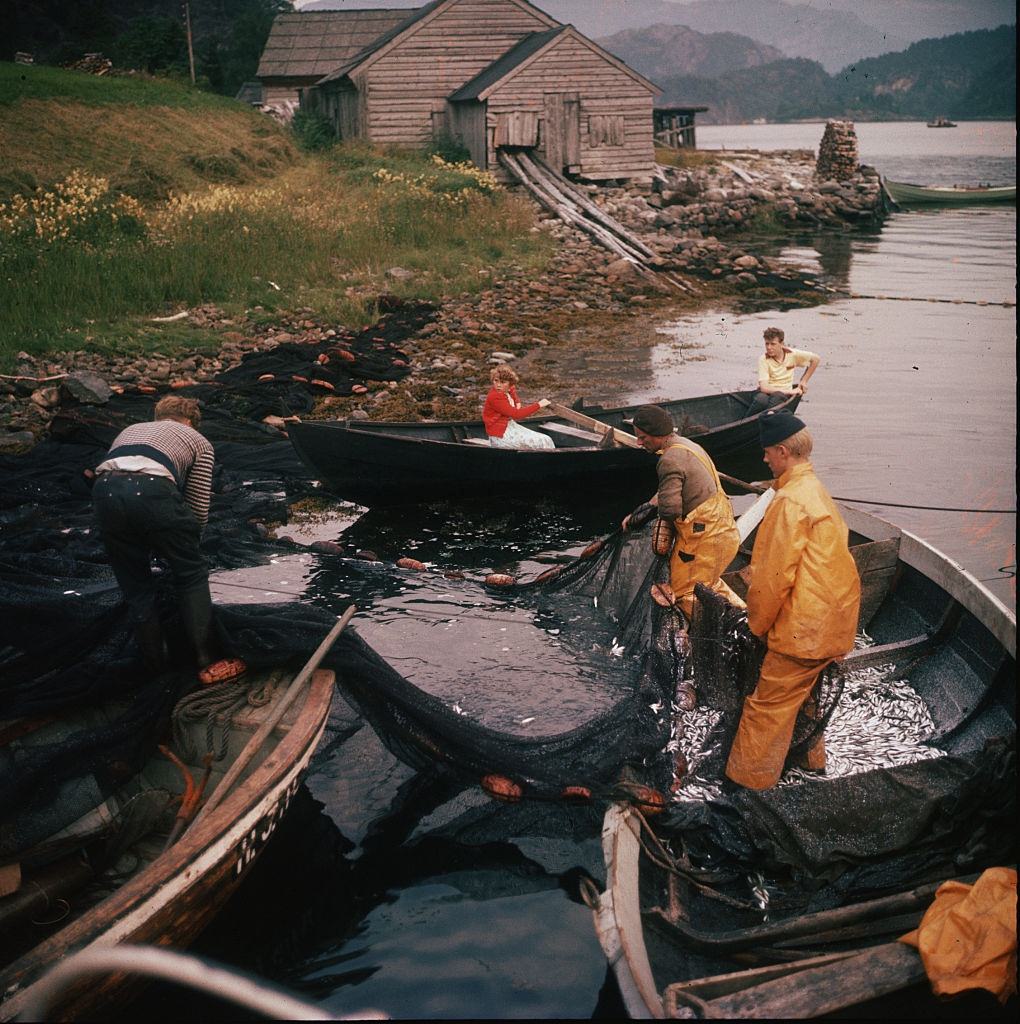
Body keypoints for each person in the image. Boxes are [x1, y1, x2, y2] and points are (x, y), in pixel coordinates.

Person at [725, 410, 861, 790]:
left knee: (766, 706)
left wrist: (756, 624)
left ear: (783, 451)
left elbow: (772, 579)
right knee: (805, 693)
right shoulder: (814, 489)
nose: (765, 459)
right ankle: (811, 762)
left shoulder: (789, 502)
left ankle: (746, 789)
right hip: (834, 624)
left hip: (804, 631)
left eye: (768, 452)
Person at [92, 395, 216, 674]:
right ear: (190, 422)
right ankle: (205, 659)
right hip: (153, 489)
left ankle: (155, 666)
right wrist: (188, 547)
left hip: (104, 492)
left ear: (158, 416)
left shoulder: (130, 430)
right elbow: (197, 508)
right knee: (192, 574)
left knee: (137, 586)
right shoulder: (199, 441)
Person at [621, 404, 744, 618]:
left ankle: (725, 632)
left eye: (643, 437)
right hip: (725, 534)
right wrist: (638, 513)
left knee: (682, 593)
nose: (639, 442)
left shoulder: (669, 460)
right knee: (709, 583)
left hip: (704, 540)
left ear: (658, 434)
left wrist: (641, 522)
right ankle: (747, 617)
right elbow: (663, 494)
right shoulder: (687, 446)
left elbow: (669, 510)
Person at [748, 326, 820, 414]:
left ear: (782, 344)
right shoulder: (763, 359)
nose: (769, 347)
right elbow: (764, 387)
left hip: (781, 395)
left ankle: (769, 415)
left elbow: (816, 359)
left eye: (773, 344)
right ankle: (745, 422)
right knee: (760, 399)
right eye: (767, 344)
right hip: (768, 392)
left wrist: (803, 381)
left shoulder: (793, 355)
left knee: (778, 397)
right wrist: (791, 391)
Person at [483, 365, 554, 449]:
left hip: (510, 427)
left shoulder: (508, 389)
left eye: (503, 382)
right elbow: (517, 414)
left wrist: (517, 402)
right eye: (496, 381)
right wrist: (539, 405)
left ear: (509, 384)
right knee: (544, 441)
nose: (498, 385)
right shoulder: (495, 397)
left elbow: (513, 391)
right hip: (501, 435)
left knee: (546, 439)